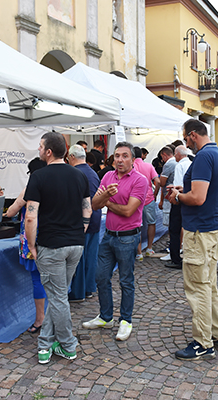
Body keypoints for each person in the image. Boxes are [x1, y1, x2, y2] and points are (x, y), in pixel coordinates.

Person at [24, 131, 92, 364]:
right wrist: (78, 231)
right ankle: (44, 345)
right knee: (58, 295)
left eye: (41, 147)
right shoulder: (79, 175)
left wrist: (31, 245)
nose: (39, 150)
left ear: (49, 151)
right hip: (75, 245)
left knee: (58, 297)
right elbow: (87, 210)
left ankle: (68, 345)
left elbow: (30, 217)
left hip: (51, 245)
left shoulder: (39, 177)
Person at [168, 119, 218, 361]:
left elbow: (198, 198)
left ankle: (203, 343)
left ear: (193, 135)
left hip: (200, 230)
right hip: (214, 226)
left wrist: (178, 196)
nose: (186, 142)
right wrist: (184, 191)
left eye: (185, 138)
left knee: (197, 287)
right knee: (209, 283)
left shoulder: (203, 157)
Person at [83, 142, 147, 342]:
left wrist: (108, 199)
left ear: (133, 159)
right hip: (109, 235)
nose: (119, 160)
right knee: (100, 276)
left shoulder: (140, 180)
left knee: (126, 280)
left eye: (124, 156)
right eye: (117, 156)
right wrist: (104, 198)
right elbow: (94, 205)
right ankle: (105, 316)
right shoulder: (108, 176)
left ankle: (125, 320)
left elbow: (128, 211)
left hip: (128, 237)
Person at [4, 157, 48, 334]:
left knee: (37, 279)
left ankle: (40, 319)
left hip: (34, 237)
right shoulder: (53, 187)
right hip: (52, 237)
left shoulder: (30, 189)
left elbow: (11, 211)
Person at [67, 144, 102, 302]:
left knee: (79, 259)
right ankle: (88, 288)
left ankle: (78, 292)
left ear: (72, 157)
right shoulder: (93, 173)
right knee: (90, 256)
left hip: (82, 220)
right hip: (94, 219)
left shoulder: (75, 173)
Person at [165, 145, 192, 269]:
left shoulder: (179, 165)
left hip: (179, 199)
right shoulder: (191, 163)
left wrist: (173, 194)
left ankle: (175, 258)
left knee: (174, 229)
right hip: (189, 199)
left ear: (178, 155)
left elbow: (178, 184)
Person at [133, 146, 160, 259]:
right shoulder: (148, 166)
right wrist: (155, 194)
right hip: (148, 197)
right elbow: (157, 181)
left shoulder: (131, 166)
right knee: (151, 223)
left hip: (135, 199)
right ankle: (149, 248)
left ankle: (139, 253)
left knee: (137, 225)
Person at [158, 146, 177, 231]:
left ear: (164, 155)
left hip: (168, 195)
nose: (162, 160)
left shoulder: (168, 164)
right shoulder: (177, 162)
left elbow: (162, 183)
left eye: (162, 157)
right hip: (176, 194)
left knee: (170, 221)